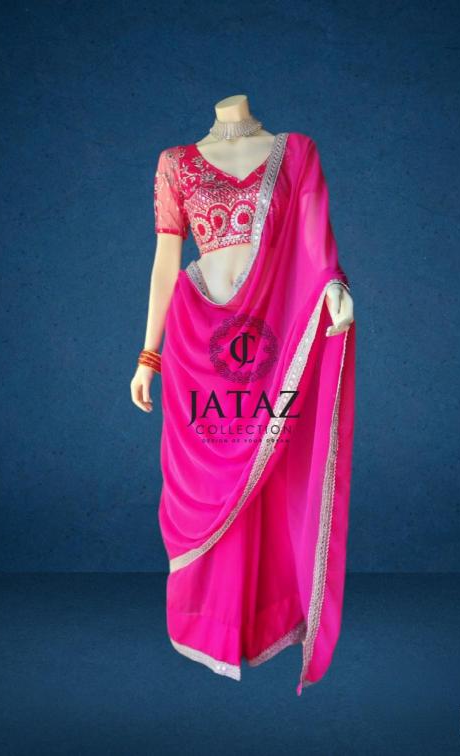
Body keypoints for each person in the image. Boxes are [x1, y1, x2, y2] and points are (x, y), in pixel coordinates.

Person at [130, 94, 356, 695]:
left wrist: (334, 285)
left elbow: (315, 240)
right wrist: (148, 355)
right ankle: (210, 624)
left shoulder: (296, 152)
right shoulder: (176, 162)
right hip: (196, 341)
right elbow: (165, 263)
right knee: (206, 483)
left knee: (269, 471)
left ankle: (258, 622)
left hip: (269, 336)